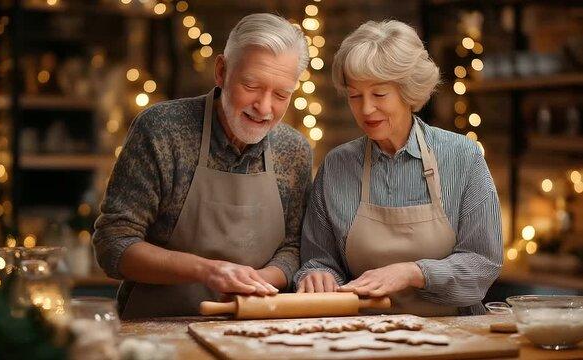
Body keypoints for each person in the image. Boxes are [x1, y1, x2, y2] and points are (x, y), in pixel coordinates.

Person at [92, 13, 312, 319]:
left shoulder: (294, 150)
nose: (264, 108)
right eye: (251, 85)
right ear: (221, 71)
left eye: (280, 94)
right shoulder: (161, 131)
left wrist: (255, 283)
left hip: (256, 328)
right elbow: (113, 244)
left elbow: (293, 248)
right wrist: (207, 271)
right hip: (157, 329)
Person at [294, 20, 502, 316]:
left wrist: (413, 273)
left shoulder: (463, 156)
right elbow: (318, 260)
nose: (366, 109)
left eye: (379, 95)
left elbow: (483, 262)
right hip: (363, 337)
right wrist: (317, 276)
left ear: (408, 91)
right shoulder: (337, 165)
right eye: (355, 96)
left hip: (455, 333)